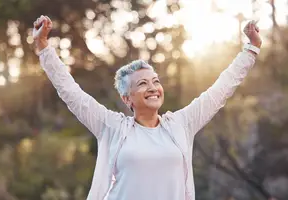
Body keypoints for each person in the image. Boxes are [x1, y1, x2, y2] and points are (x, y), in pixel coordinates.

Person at [33, 15, 262, 200]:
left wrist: (251, 50)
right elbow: (71, 93)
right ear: (127, 98)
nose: (153, 88)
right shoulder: (112, 127)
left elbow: (220, 90)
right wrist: (44, 48)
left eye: (155, 81)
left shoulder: (181, 125)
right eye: (142, 84)